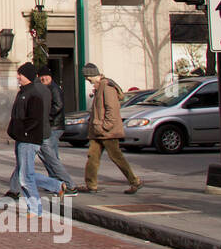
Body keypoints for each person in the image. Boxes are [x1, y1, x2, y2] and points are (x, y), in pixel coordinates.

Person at [5, 62, 62, 215]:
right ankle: (57, 186)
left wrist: (23, 133)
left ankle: (35, 209)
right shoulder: (22, 93)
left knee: (25, 177)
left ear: (27, 76)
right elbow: (17, 115)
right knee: (26, 174)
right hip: (22, 138)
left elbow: (35, 119)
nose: (18, 77)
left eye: (20, 74)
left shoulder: (34, 94)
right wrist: (13, 130)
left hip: (29, 140)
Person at [80, 62, 143, 194]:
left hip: (106, 131)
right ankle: (91, 185)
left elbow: (112, 109)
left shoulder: (106, 86)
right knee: (93, 156)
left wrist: (105, 126)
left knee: (116, 157)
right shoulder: (100, 86)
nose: (87, 79)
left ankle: (135, 181)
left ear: (92, 75)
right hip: (98, 131)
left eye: (87, 77)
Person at [36, 67, 77, 195]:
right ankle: (55, 182)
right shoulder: (46, 88)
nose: (44, 78)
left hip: (54, 126)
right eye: (41, 77)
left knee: (50, 155)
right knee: (50, 154)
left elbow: (58, 106)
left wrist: (46, 117)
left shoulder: (54, 89)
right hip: (52, 126)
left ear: (51, 77)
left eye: (46, 76)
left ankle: (63, 183)